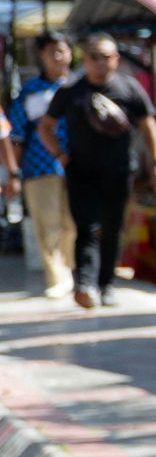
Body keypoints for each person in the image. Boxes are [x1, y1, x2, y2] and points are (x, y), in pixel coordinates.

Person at [38, 34, 156, 308]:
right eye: (94, 57)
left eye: (106, 57)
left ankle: (106, 284)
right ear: (84, 60)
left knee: (112, 228)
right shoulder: (71, 92)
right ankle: (85, 284)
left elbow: (149, 128)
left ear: (116, 60)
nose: (100, 63)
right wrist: (59, 154)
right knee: (86, 227)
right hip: (81, 172)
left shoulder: (129, 89)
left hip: (118, 171)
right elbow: (45, 127)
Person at [9, 36, 78, 297]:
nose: (58, 57)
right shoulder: (31, 91)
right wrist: (13, 172)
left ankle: (72, 270)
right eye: (52, 52)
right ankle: (57, 278)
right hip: (39, 167)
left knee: (72, 224)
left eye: (62, 51)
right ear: (42, 56)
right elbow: (16, 135)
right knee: (47, 225)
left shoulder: (79, 86)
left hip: (77, 166)